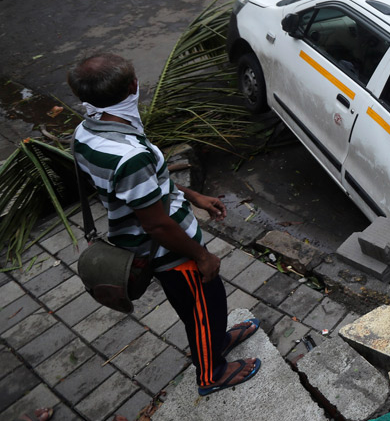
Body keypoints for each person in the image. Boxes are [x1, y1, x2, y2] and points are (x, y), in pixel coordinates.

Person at [68, 53, 262, 396]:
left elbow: (143, 188)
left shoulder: (87, 131)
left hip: (144, 237)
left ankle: (216, 340)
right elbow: (157, 224)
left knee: (203, 305)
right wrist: (201, 255)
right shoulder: (129, 155)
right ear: (132, 87)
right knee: (204, 307)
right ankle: (211, 372)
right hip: (169, 250)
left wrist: (192, 196)